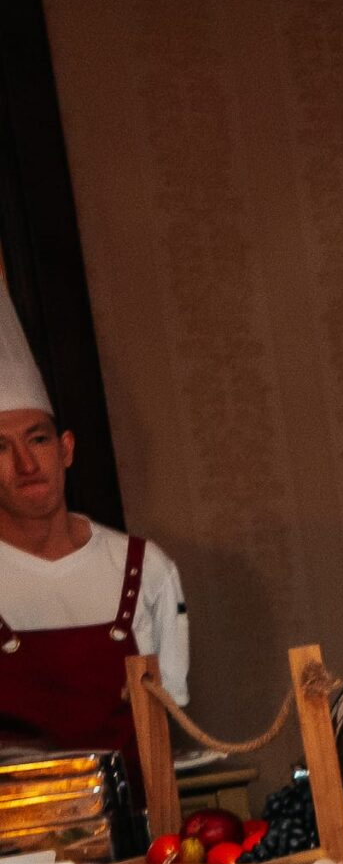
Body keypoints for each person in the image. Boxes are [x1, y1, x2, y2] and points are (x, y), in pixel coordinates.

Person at [0, 297, 188, 763]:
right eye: (0, 448)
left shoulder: (145, 569)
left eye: (38, 439)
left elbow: (170, 714)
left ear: (65, 449)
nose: (26, 464)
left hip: (137, 804)